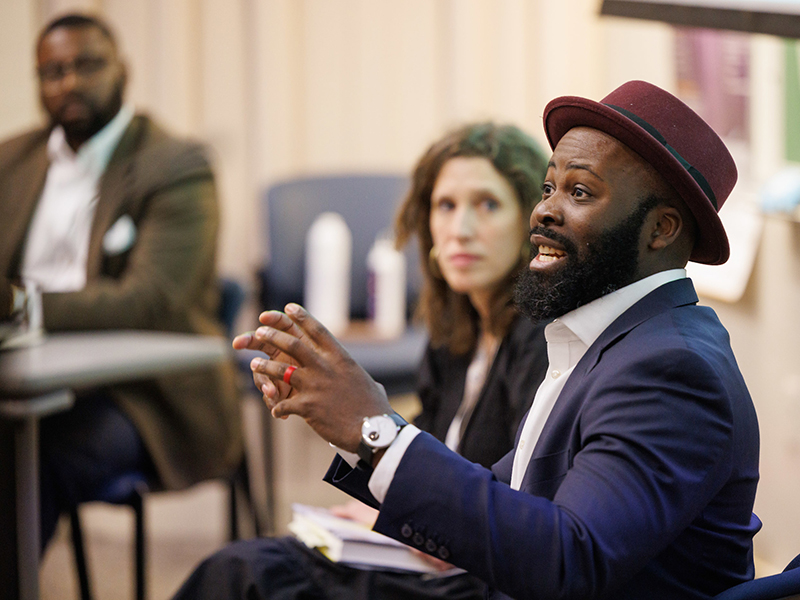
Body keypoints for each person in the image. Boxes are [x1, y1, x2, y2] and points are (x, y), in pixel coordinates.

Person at [233, 80, 761, 600]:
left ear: (661, 229)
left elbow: (569, 560)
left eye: (579, 191)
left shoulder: (670, 368)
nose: (545, 211)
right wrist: (355, 426)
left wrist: (376, 429)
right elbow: (501, 500)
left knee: (252, 577)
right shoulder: (607, 339)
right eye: (548, 188)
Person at [172, 122, 551, 599]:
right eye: (446, 205)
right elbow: (422, 451)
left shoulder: (542, 339)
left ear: (530, 220)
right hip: (422, 553)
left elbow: (517, 508)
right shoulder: (455, 332)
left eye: (488, 205)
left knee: (244, 574)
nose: (462, 229)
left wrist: (393, 512)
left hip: (474, 578)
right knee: (239, 567)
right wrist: (333, 415)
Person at [0, 13, 242, 550]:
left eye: (86, 65)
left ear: (123, 71)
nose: (68, 83)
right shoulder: (11, 160)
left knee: (28, 463)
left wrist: (17, 306)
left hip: (139, 395)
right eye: (52, 71)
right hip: (24, 373)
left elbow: (149, 300)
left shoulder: (176, 164)